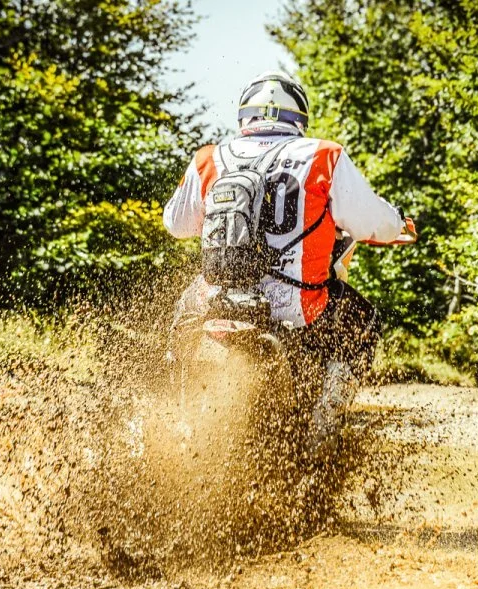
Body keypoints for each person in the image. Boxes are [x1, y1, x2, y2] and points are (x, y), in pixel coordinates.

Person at [163, 70, 412, 444]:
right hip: (295, 308)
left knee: (180, 324)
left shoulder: (209, 158)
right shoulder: (323, 155)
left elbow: (176, 224)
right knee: (365, 322)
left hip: (217, 300)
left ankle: (174, 413)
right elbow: (372, 223)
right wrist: (395, 222)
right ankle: (323, 426)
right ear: (299, 117)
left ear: (245, 117)